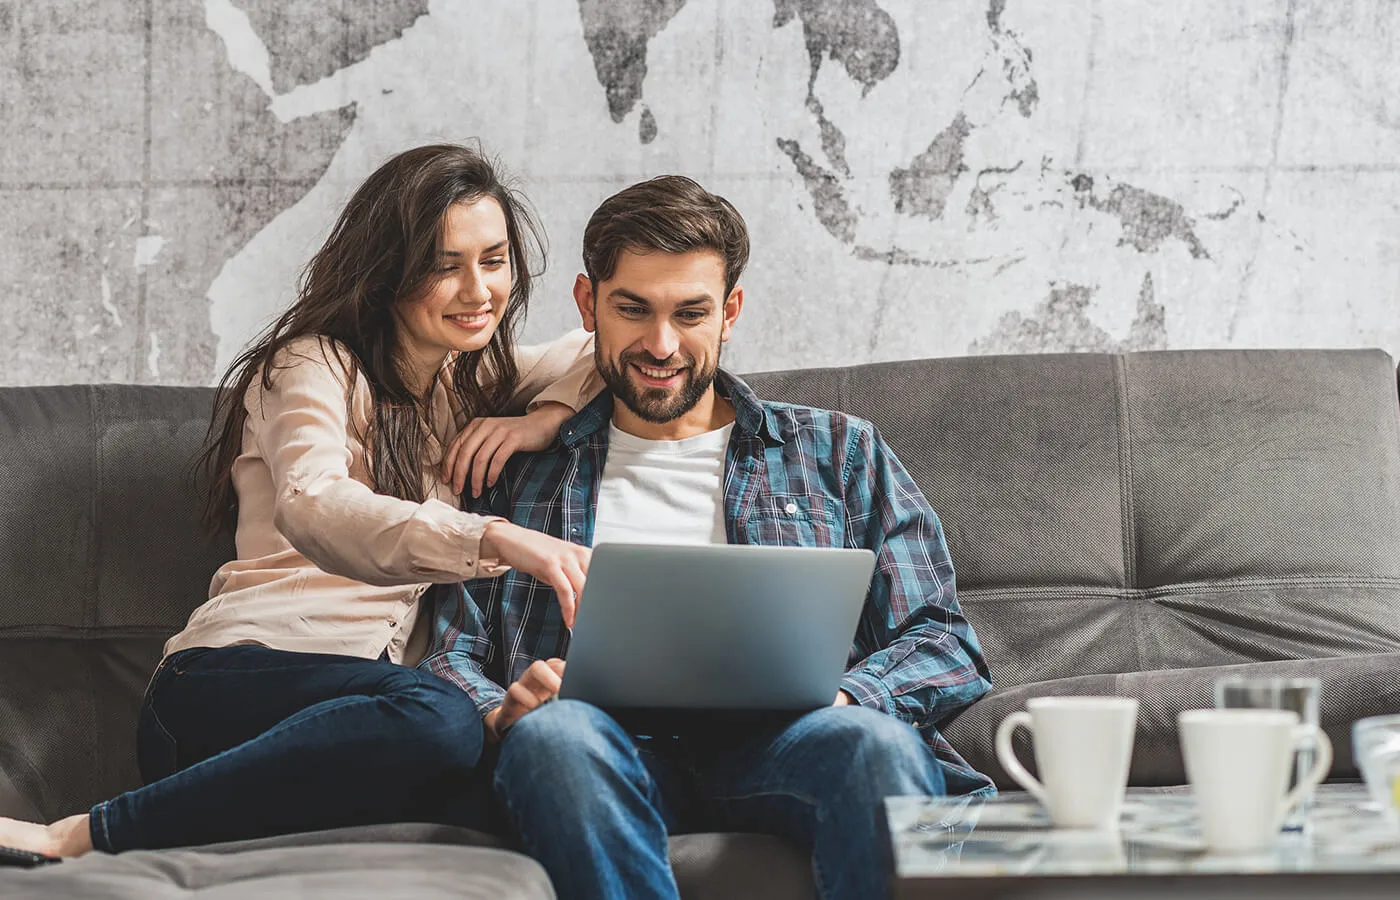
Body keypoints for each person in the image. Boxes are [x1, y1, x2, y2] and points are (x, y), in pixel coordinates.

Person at [0, 144, 598, 858]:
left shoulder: (476, 383)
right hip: (222, 690)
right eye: (444, 265)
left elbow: (605, 350)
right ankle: (82, 835)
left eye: (493, 260)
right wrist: (495, 538)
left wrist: (541, 417)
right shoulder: (314, 364)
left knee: (512, 774)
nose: (478, 291)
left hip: (357, 729)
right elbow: (315, 504)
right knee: (441, 715)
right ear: (389, 273)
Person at [421, 175, 992, 900]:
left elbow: (942, 640)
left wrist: (850, 699)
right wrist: (500, 710)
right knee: (555, 738)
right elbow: (448, 653)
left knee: (877, 745)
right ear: (588, 304)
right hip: (597, 751)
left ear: (730, 312)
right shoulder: (516, 473)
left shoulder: (839, 452)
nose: (661, 345)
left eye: (690, 314)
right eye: (633, 310)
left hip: (790, 749)